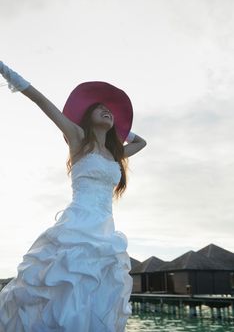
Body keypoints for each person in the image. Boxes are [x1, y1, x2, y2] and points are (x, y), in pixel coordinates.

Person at [0, 61, 147, 332]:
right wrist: (6, 72)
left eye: (110, 111)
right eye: (99, 109)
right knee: (65, 297)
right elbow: (42, 101)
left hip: (105, 236)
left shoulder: (115, 155)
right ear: (87, 117)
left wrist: (121, 129)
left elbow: (142, 143)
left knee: (93, 302)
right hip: (76, 229)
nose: (107, 111)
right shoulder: (79, 139)